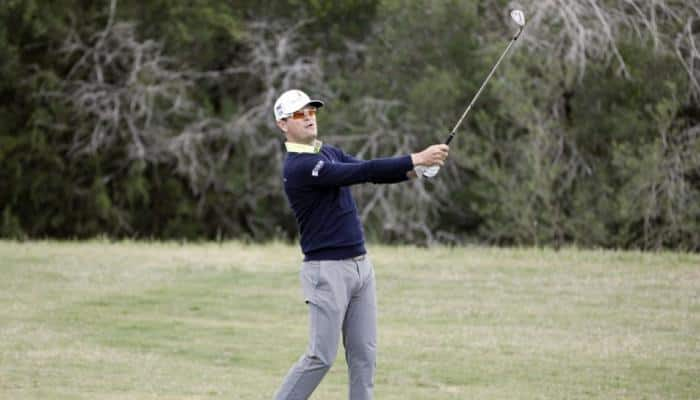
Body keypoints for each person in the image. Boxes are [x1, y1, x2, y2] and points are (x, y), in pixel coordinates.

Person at [273, 89, 448, 400]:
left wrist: (415, 170)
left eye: (312, 112)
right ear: (283, 124)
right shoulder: (299, 167)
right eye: (300, 114)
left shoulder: (328, 152)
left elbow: (374, 172)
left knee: (364, 357)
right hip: (326, 271)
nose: (309, 117)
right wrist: (416, 157)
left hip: (360, 267)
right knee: (320, 357)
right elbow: (360, 172)